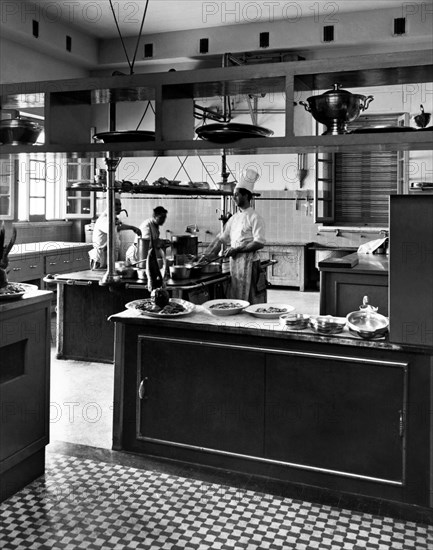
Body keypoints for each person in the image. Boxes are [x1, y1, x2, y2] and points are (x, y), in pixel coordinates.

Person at [200, 168, 267, 303]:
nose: (233, 197)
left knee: (252, 301)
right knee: (237, 299)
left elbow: (259, 242)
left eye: (236, 194)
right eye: (233, 194)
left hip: (251, 265)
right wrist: (206, 256)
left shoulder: (255, 217)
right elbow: (221, 238)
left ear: (246, 196)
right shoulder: (234, 218)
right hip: (236, 265)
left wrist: (236, 249)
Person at [89, 196, 142, 269]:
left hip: (109, 255)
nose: (119, 207)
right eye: (116, 204)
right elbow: (112, 229)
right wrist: (132, 227)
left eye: (120, 204)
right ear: (109, 205)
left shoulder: (113, 218)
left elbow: (116, 228)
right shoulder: (104, 218)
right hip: (101, 258)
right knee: (99, 277)